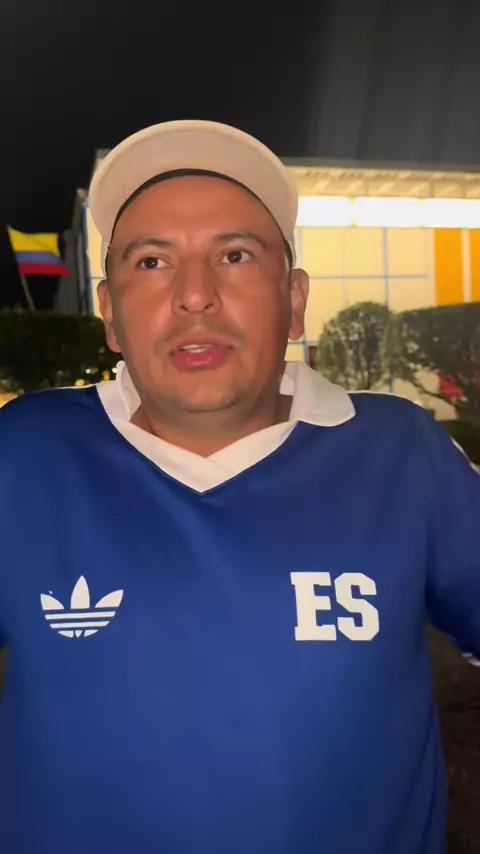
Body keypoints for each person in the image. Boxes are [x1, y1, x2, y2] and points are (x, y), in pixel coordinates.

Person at [0, 119, 478, 854]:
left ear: (294, 300)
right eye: (152, 261)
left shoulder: (401, 452)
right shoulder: (24, 452)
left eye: (234, 254)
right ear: (110, 313)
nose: (195, 295)